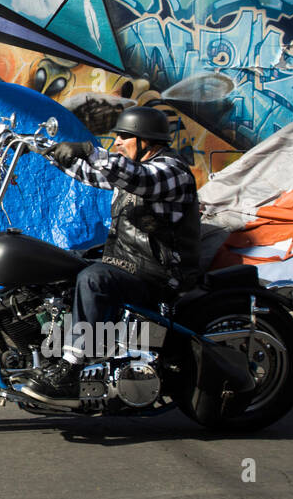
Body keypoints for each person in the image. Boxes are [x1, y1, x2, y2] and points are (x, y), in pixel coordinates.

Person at [20, 105, 200, 403]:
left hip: (160, 273)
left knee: (94, 279)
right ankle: (55, 351)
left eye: (124, 137)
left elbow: (141, 178)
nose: (116, 142)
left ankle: (72, 367)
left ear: (147, 142)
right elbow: (90, 173)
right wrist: (45, 150)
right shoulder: (130, 168)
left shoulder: (171, 171)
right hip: (129, 263)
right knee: (65, 270)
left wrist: (90, 150)